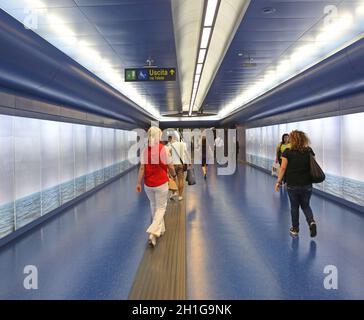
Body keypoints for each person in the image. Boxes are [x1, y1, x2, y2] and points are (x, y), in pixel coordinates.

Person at [136, 127, 177, 247]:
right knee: (161, 208)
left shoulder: (144, 151)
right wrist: (174, 176)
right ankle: (153, 232)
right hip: (161, 184)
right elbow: (170, 166)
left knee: (154, 205)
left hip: (148, 185)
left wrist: (138, 183)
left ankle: (161, 229)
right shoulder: (163, 149)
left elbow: (142, 168)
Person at [274, 130, 317, 238]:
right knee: (306, 205)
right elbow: (313, 165)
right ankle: (311, 222)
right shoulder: (309, 151)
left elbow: (283, 168)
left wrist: (278, 182)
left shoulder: (287, 152)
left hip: (292, 184)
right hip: (307, 184)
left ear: (292, 140)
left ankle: (295, 229)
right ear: (304, 139)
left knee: (294, 207)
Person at [169, 132, 190, 201]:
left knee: (173, 179)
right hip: (181, 165)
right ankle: (180, 196)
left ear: (174, 138)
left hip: (173, 165)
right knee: (181, 180)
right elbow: (187, 153)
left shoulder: (171, 145)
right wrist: (189, 162)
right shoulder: (183, 144)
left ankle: (174, 192)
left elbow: (169, 155)